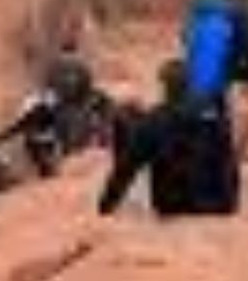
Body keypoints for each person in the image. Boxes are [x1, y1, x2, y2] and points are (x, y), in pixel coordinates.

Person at [98, 60, 239, 218]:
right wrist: (231, 205)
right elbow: (230, 164)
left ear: (164, 87)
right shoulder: (215, 117)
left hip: (173, 207)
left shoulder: (154, 120)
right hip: (216, 206)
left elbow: (125, 169)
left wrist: (105, 207)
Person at [179, 0, 248, 112]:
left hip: (212, 89)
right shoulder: (213, 13)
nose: (184, 2)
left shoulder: (212, 18)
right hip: (227, 83)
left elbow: (208, 58)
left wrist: (199, 93)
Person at [0, 89, 65, 179]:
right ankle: (46, 167)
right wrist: (2, 137)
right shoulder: (37, 114)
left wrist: (2, 137)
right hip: (39, 141)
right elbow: (18, 127)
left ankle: (48, 166)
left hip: (44, 140)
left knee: (45, 146)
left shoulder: (52, 113)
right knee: (37, 145)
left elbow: (18, 127)